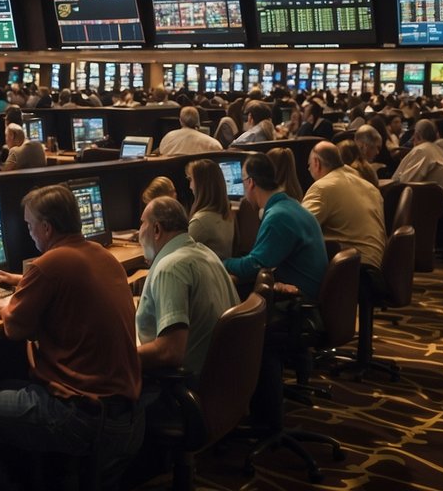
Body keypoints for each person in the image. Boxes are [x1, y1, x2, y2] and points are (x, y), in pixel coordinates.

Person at [0, 185, 142, 491]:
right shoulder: (102, 255)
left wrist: (4, 305)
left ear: (46, 227)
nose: (29, 232)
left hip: (80, 417)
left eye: (30, 225)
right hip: (126, 417)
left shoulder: (50, 266)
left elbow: (16, 328)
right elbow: (66, 283)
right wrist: (23, 281)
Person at [135, 197, 240, 379]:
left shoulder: (170, 268)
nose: (138, 232)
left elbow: (170, 351)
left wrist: (121, 358)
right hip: (224, 378)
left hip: (179, 387)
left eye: (142, 223)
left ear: (157, 229)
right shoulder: (206, 253)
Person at [223, 153, 327, 301]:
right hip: (306, 292)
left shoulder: (278, 217)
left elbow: (254, 266)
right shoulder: (291, 206)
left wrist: (221, 262)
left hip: (298, 300)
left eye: (243, 181)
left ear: (251, 182)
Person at [301, 142, 386, 270]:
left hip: (351, 273)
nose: (309, 170)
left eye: (309, 165)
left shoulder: (323, 187)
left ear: (316, 162)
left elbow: (297, 228)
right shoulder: (370, 187)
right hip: (376, 269)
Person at [185, 158, 235, 258]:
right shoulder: (226, 214)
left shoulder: (200, 221)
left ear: (201, 184)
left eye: (191, 180)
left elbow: (180, 256)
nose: (190, 186)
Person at [391, 118, 443, 187]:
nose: (412, 138)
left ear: (417, 135)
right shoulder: (439, 150)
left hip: (420, 197)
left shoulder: (421, 150)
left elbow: (405, 183)